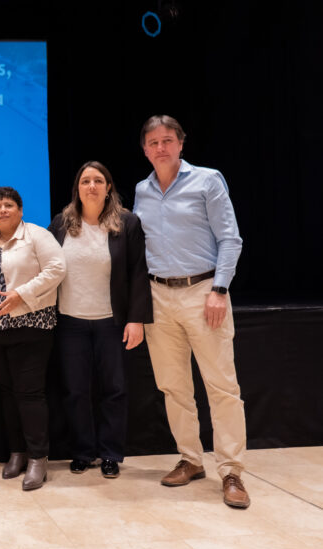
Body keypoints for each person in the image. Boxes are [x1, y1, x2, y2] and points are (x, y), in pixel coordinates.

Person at [133, 115, 249, 508]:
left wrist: (219, 289)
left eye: (168, 140)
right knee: (173, 386)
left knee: (222, 387)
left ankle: (231, 471)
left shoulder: (207, 180)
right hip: (158, 297)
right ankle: (191, 459)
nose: (160, 148)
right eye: (153, 142)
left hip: (204, 293)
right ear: (145, 149)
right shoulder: (142, 190)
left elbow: (230, 239)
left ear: (181, 143)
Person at [49, 162, 152, 479]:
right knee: (75, 391)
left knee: (114, 390)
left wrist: (136, 319)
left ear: (108, 188)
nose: (91, 186)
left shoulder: (126, 223)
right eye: (85, 181)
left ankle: (110, 454)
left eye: (98, 180)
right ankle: (82, 452)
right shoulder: (61, 224)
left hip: (112, 322)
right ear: (77, 189)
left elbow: (138, 272)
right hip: (70, 322)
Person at [0, 187, 65, 490]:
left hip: (31, 325)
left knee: (29, 393)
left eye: (9, 205)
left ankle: (38, 458)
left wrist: (21, 294)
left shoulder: (37, 236)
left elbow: (57, 269)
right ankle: (17, 452)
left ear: (20, 210)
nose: (3, 210)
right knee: (7, 392)